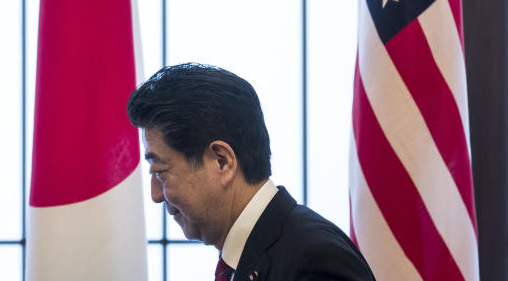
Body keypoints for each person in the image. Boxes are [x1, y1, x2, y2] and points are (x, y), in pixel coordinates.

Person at [126, 63, 375, 281]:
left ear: (222, 162)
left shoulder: (314, 260)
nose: (155, 195)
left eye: (160, 171)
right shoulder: (260, 254)